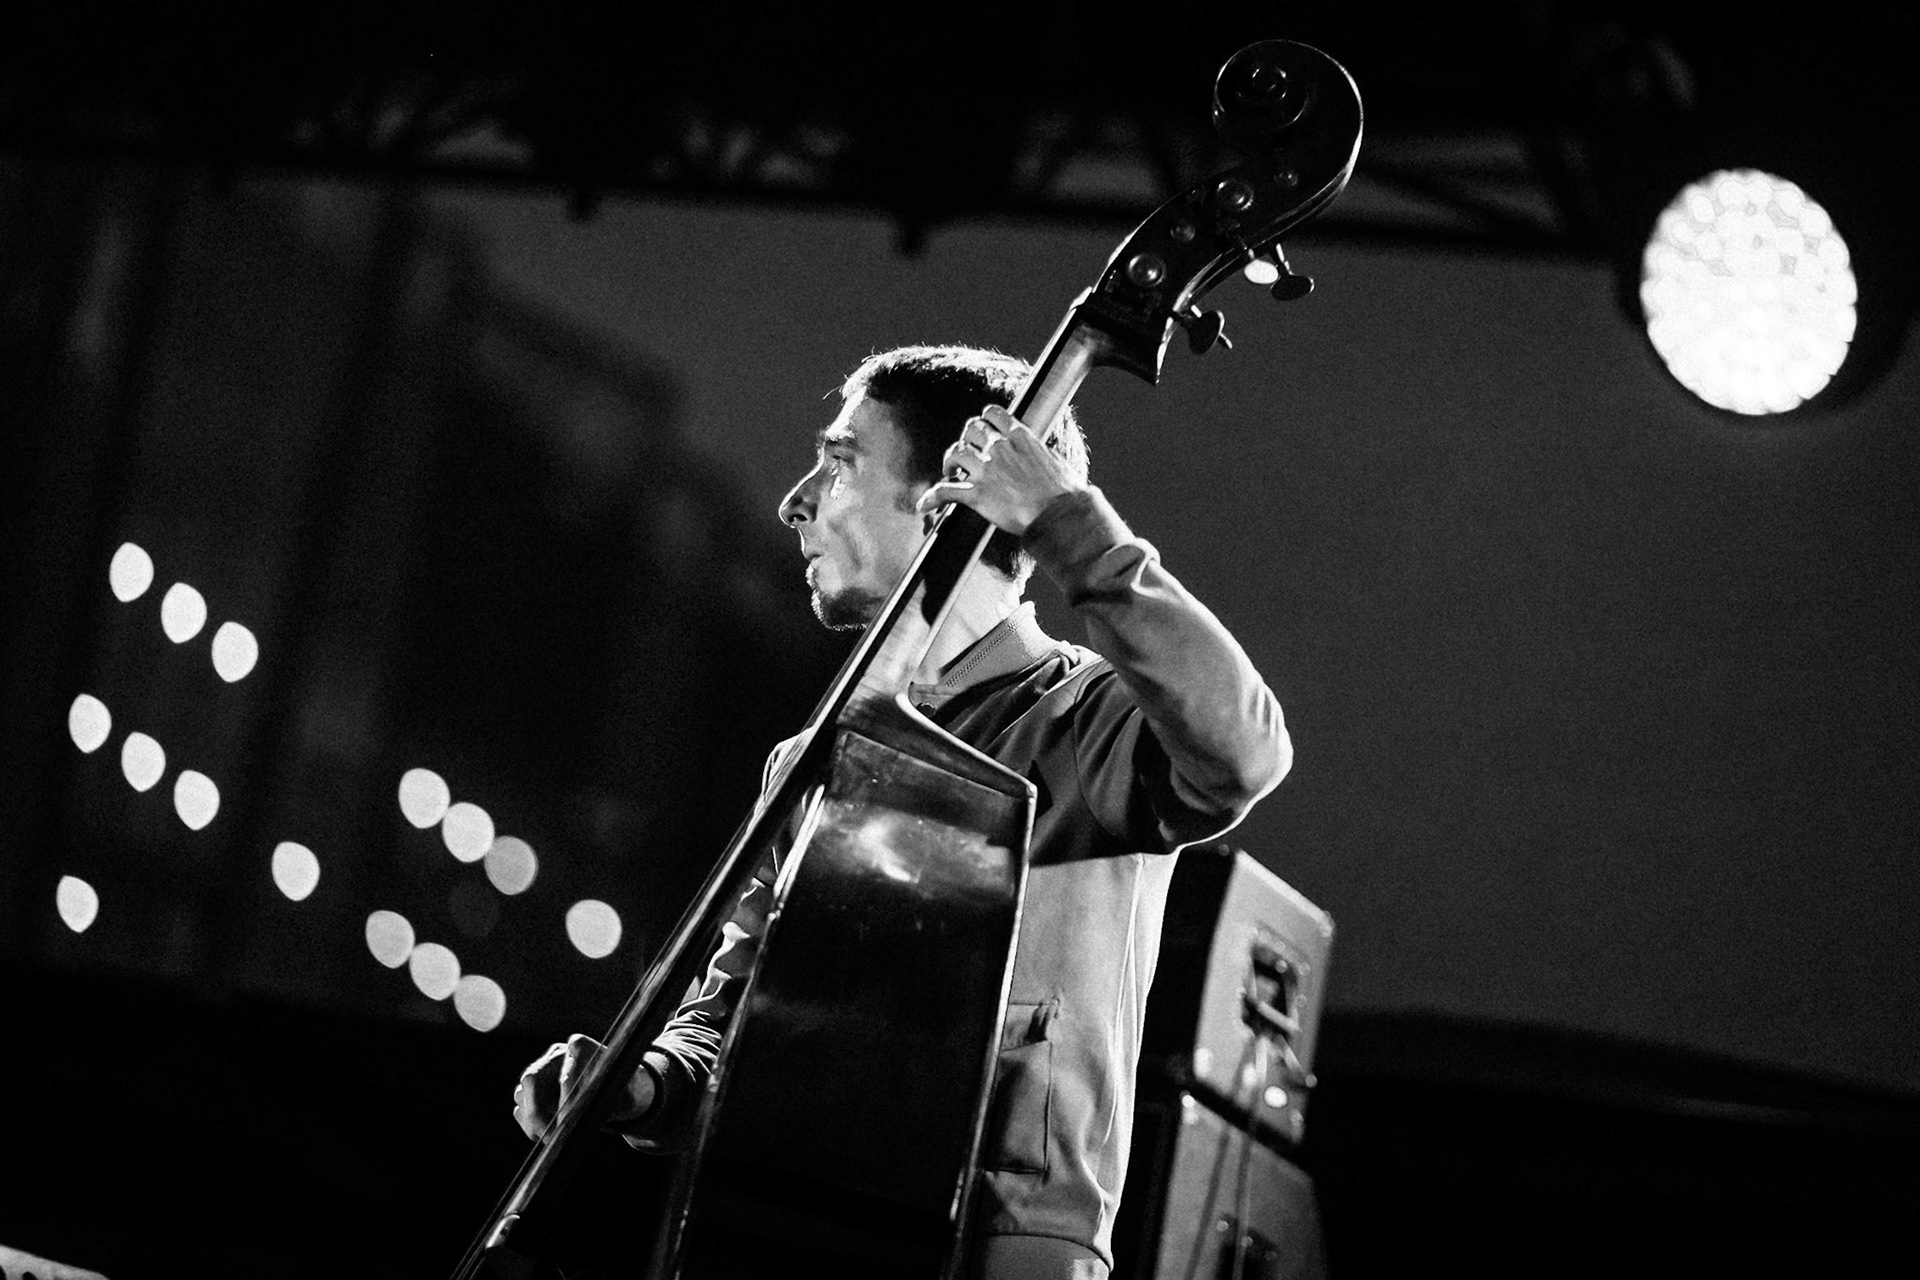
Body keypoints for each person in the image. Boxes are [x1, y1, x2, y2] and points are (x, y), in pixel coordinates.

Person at [515, 345, 1290, 1278]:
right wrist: (644, 1084)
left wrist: (1064, 523)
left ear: (943, 498)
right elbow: (735, 1017)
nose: (795, 501)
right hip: (783, 1232)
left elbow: (1243, 751)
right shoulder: (807, 762)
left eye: (839, 463)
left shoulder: (1081, 720)